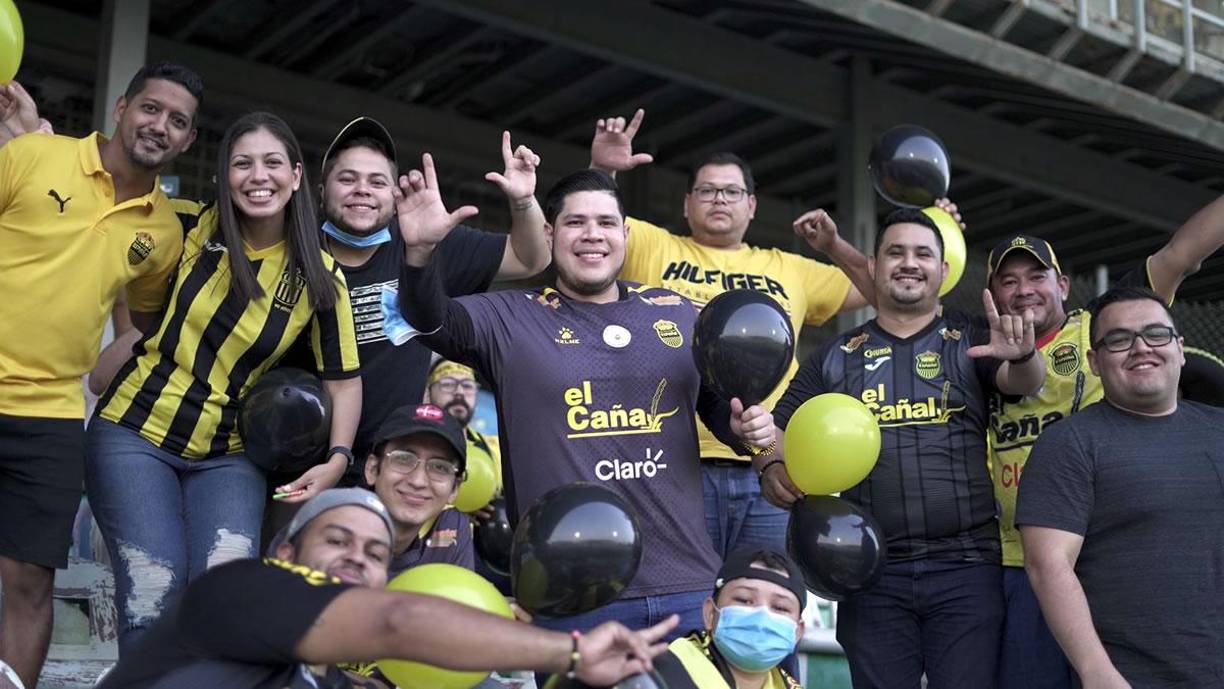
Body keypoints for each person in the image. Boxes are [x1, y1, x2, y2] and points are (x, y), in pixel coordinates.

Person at [396, 161, 775, 637]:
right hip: (570, 592)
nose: (592, 235)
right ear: (550, 233)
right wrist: (420, 253)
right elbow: (429, 319)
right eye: (576, 222)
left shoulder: (676, 313)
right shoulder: (509, 317)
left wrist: (751, 436)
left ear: (626, 233)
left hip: (685, 587)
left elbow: (721, 413)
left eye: (605, 223)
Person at [85, 112, 362, 653]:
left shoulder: (321, 277)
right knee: (153, 592)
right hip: (134, 433)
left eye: (272, 162)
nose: (258, 176)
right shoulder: (188, 225)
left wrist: (337, 458)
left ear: (297, 174)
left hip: (230, 454)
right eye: (242, 163)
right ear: (223, 177)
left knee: (224, 599)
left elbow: (343, 381)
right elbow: (108, 237)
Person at [759, 208, 1046, 689]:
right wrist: (768, 464)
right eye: (896, 252)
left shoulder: (972, 339)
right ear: (872, 266)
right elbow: (776, 429)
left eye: (922, 254)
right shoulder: (835, 356)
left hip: (967, 567)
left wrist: (1025, 356)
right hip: (869, 571)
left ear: (943, 271)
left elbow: (1021, 382)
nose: (909, 263)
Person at [588, 109, 887, 558]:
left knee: (768, 601)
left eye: (732, 191)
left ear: (752, 205)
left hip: (771, 468)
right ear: (686, 203)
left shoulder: (789, 268)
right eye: (706, 191)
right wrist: (604, 170)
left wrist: (832, 246)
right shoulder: (652, 246)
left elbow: (884, 291)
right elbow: (591, 226)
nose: (719, 200)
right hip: (669, 465)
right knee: (683, 606)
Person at [0, 63, 202, 688]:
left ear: (189, 141)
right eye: (151, 108)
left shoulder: (163, 232)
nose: (159, 126)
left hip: (52, 416)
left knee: (29, 582)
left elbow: (138, 314)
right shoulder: (35, 156)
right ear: (121, 107)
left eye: (178, 121)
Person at [984, 197, 1224, 689]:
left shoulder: (1113, 322)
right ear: (991, 295)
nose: (1023, 290)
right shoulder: (981, 346)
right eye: (1008, 281)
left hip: (1109, 552)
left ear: (1063, 286)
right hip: (1015, 559)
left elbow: (1183, 251)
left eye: (1036, 276)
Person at [98, 488, 677, 689]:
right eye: (337, 540)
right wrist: (571, 653)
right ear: (285, 551)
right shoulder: (237, 589)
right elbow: (396, 624)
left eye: (376, 555)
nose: (356, 559)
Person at [312, 117, 548, 484]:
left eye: (377, 182)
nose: (362, 190)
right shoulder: (294, 249)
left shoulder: (423, 241)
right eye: (347, 179)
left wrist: (523, 201)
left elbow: (531, 258)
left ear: (394, 194)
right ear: (321, 189)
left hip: (394, 470)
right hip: (299, 461)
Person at [268, 403, 474, 574]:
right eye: (403, 459)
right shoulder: (323, 521)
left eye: (440, 467)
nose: (418, 481)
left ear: (454, 489)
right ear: (372, 469)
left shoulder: (452, 527)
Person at [650, 548, 805, 689]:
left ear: (798, 632)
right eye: (744, 600)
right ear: (710, 613)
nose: (761, 616)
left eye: (780, 607)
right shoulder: (664, 674)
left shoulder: (787, 685)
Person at [426, 358, 503, 494]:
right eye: (448, 384)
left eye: (467, 385)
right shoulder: (412, 444)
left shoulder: (498, 449)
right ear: (428, 394)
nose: (459, 392)